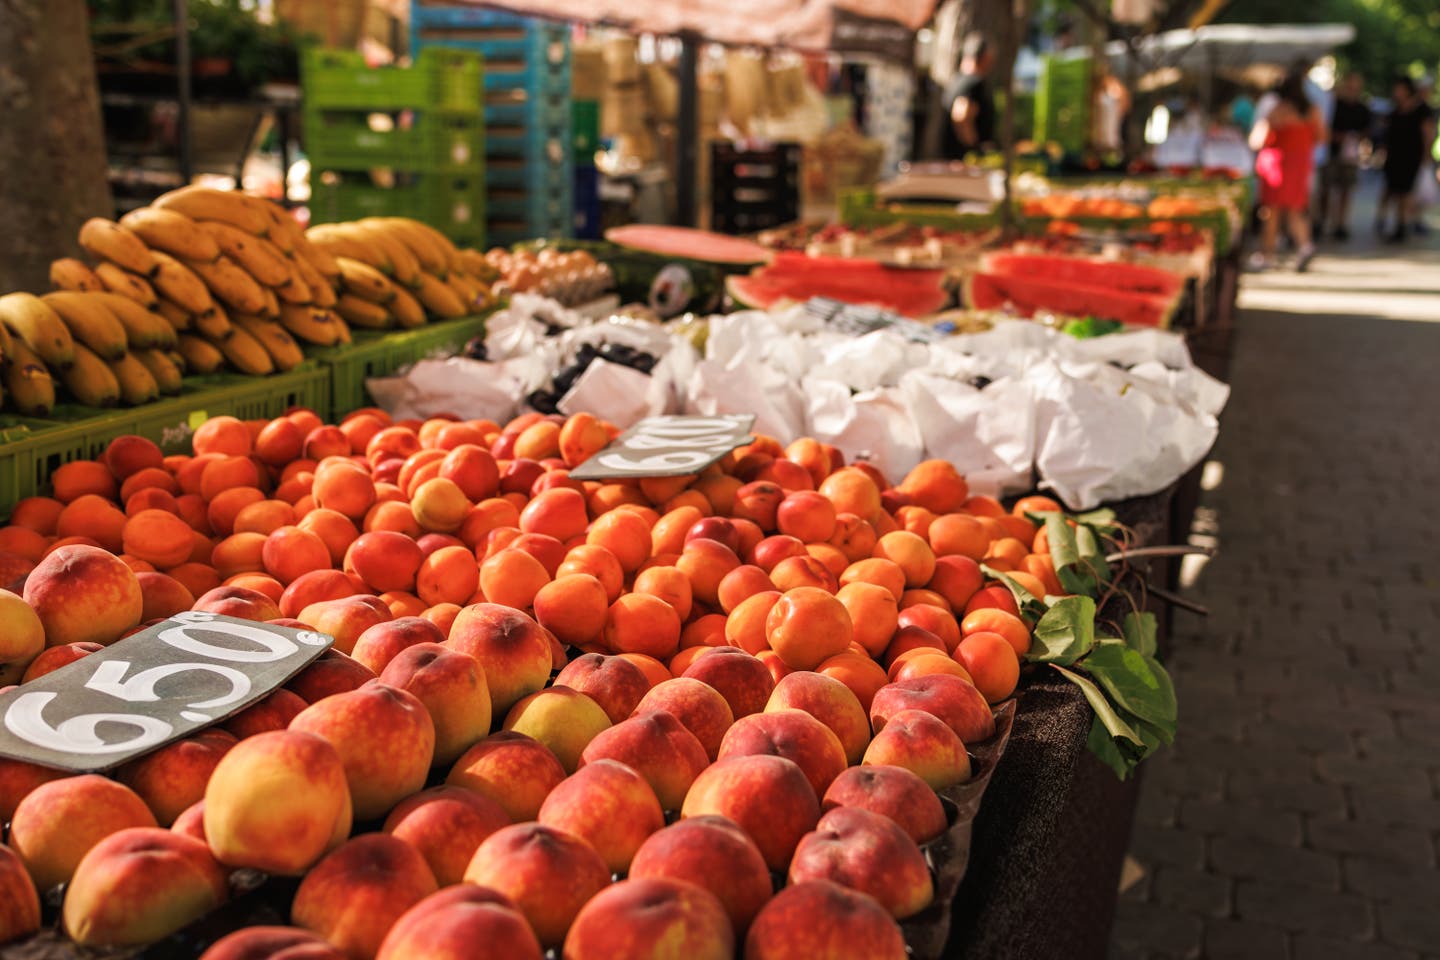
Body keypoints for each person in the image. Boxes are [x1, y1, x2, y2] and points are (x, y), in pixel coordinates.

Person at [1249, 72, 1326, 271]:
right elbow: (1321, 137)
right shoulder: (1312, 111)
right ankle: (1305, 246)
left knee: (1271, 212)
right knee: (1295, 208)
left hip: (1276, 165)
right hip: (1300, 165)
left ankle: (1267, 254)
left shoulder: (1276, 110)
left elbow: (1257, 140)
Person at [1377, 76, 1436, 242]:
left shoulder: (1422, 110)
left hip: (1411, 156)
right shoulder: (1396, 109)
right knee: (1393, 189)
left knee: (1406, 191)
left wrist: (1426, 155)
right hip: (1395, 156)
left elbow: (1428, 133)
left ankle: (1403, 225)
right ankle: (1395, 222)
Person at [1317, 71, 1372, 240]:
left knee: (1346, 190)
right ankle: (1321, 220)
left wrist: (1357, 140)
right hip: (1332, 152)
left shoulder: (1363, 108)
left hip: (1350, 155)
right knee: (1326, 188)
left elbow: (1367, 131)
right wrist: (1337, 137)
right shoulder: (1334, 105)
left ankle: (1340, 223)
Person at [941, 32, 996, 158]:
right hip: (966, 158)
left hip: (951, 156)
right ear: (985, 57)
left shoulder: (956, 80)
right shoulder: (974, 83)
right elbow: (961, 115)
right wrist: (974, 147)